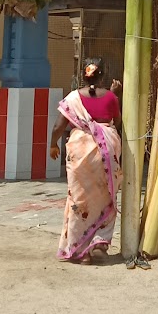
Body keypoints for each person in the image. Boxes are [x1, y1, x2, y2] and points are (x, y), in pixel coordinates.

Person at [49, 57, 121, 263]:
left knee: (78, 201)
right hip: (105, 152)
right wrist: (114, 95)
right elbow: (116, 122)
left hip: (79, 152)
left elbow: (58, 127)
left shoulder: (72, 98)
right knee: (105, 197)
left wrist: (53, 145)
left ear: (83, 75)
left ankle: (82, 252)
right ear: (102, 76)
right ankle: (99, 242)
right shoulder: (110, 97)